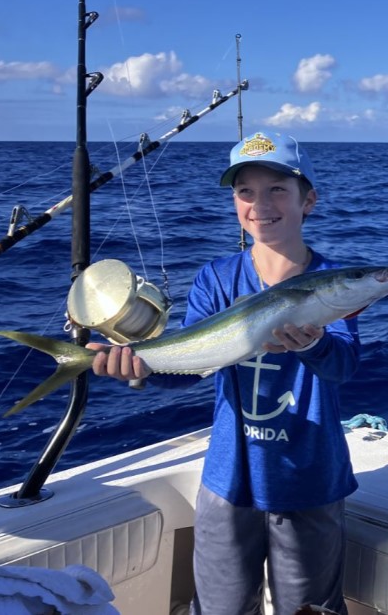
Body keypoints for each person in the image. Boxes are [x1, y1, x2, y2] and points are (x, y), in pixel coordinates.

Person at [90, 132, 359, 615]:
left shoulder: (333, 282)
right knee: (221, 608)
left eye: (277, 189)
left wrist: (314, 343)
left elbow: (342, 366)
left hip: (311, 479)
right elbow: (190, 365)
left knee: (309, 610)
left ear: (308, 200)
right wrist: (137, 367)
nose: (261, 204)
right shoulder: (215, 278)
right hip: (230, 477)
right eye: (245, 192)